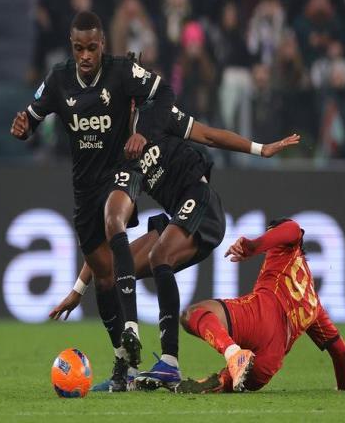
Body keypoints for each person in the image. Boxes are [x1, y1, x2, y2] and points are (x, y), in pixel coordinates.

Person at [50, 104, 300, 391]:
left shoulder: (156, 115)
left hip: (202, 204)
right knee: (114, 269)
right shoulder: (118, 158)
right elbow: (111, 233)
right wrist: (78, 289)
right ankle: (127, 370)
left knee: (160, 255)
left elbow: (209, 136)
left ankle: (169, 362)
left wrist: (261, 149)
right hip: (178, 217)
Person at [10, 11, 175, 391]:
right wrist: (23, 129)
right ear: (72, 47)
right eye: (79, 48)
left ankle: (132, 326)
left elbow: (163, 93)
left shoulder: (121, 72)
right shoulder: (58, 79)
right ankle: (124, 362)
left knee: (115, 219)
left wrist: (143, 133)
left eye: (92, 48)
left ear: (103, 45)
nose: (85, 56)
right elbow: (31, 118)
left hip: (121, 172)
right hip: (84, 189)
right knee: (103, 277)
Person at [178, 218, 345, 393]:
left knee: (191, 314)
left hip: (258, 318)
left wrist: (252, 247)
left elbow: (289, 230)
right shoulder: (315, 305)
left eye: (272, 233)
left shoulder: (288, 244)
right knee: (239, 378)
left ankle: (233, 354)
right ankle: (224, 380)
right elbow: (341, 351)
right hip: (266, 365)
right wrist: (344, 386)